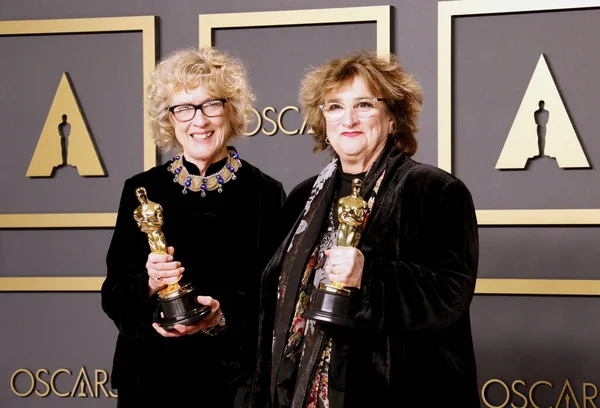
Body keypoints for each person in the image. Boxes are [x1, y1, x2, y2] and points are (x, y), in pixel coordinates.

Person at [250, 50, 479, 408]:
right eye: (335, 107)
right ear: (323, 120)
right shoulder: (301, 198)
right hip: (299, 392)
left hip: (399, 392)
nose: (349, 119)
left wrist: (367, 276)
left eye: (365, 105)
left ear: (393, 118)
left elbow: (451, 293)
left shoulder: (434, 190)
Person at [101, 47, 285, 407]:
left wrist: (218, 320)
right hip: (150, 379)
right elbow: (115, 294)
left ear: (230, 111)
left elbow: (273, 298)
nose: (198, 121)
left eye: (210, 105)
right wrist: (150, 283)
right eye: (183, 108)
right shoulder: (141, 190)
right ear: (169, 119)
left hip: (231, 382)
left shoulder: (265, 192)